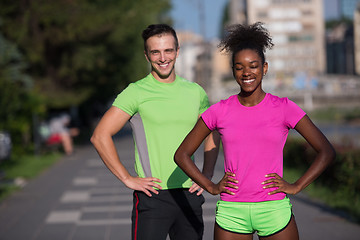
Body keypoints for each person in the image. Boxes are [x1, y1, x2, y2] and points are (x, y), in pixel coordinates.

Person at [174, 22, 336, 240]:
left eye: (253, 65)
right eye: (239, 67)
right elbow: (181, 155)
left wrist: (297, 186)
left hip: (274, 210)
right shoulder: (219, 111)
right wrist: (211, 186)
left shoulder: (284, 108)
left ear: (264, 68)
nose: (246, 72)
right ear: (233, 71)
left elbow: (326, 151)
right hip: (232, 213)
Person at [91, 23, 220, 240]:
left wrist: (206, 175)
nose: (163, 58)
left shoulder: (195, 92)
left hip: (190, 194)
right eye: (155, 52)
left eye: (168, 50)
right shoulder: (136, 92)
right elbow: (99, 135)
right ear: (147, 55)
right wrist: (127, 178)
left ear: (177, 52)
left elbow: (212, 132)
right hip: (153, 196)